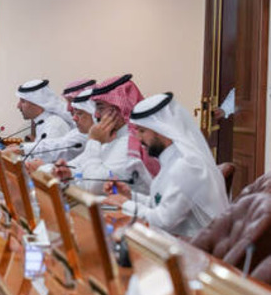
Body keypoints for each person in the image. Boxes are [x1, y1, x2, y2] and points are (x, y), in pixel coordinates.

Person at [103, 93, 228, 237]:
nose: (138, 138)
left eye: (142, 131)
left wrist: (124, 203)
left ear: (162, 130)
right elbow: (160, 203)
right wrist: (129, 195)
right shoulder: (173, 159)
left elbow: (163, 220)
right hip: (173, 240)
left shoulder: (188, 166)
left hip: (193, 246)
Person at [55, 74, 153, 194]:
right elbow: (81, 167)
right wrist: (69, 172)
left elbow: (93, 185)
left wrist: (93, 141)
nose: (96, 115)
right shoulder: (111, 138)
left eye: (100, 108)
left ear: (119, 109)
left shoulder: (130, 143)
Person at [23, 79, 95, 172]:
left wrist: (22, 150)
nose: (68, 108)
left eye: (79, 110)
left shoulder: (54, 123)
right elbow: (74, 166)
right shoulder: (79, 131)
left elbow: (58, 149)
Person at [13, 79, 73, 151]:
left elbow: (44, 154)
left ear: (37, 102)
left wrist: (18, 150)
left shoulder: (53, 125)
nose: (18, 106)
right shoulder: (41, 122)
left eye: (23, 101)